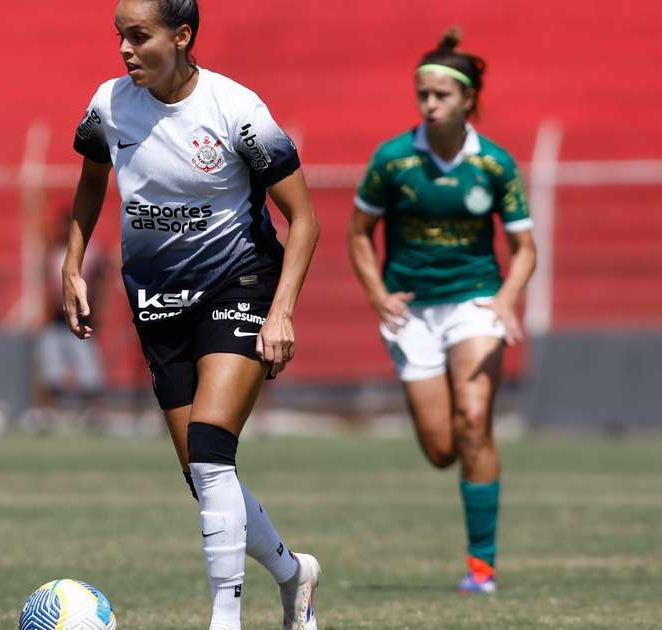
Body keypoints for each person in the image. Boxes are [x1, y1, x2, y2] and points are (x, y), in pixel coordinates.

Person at [65, 1, 321, 628]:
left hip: (241, 283)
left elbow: (306, 218)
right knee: (206, 480)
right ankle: (295, 575)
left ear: (182, 36)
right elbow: (92, 179)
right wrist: (73, 266)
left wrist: (281, 312)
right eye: (120, 37)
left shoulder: (236, 111)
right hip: (157, 302)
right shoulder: (108, 104)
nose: (125, 50)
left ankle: (224, 619)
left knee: (211, 451)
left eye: (139, 36)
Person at [347, 29, 537, 594]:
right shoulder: (394, 160)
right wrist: (378, 293)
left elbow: (525, 248)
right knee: (442, 449)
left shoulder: (495, 164)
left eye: (441, 96)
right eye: (423, 95)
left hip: (475, 302)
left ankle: (482, 568)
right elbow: (359, 234)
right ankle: (461, 461)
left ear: (467, 100)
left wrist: (505, 299)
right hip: (412, 314)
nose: (429, 105)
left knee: (475, 423)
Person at [32, 210, 107, 429]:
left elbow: (100, 285)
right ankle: (49, 412)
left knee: (88, 370)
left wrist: (99, 314)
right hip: (56, 318)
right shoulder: (52, 252)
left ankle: (93, 411)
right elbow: (46, 286)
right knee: (50, 369)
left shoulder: (91, 252)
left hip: (84, 318)